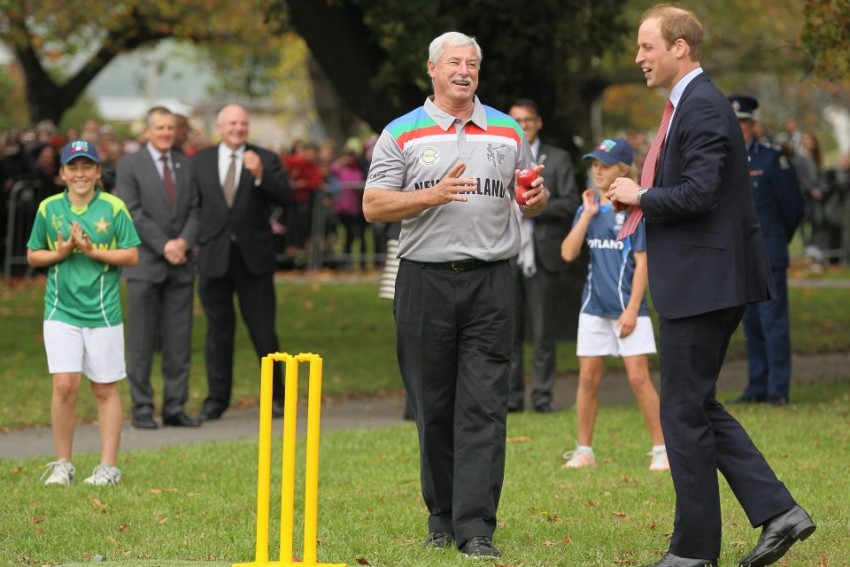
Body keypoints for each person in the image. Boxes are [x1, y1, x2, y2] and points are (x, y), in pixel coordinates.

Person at [605, 6, 815, 567]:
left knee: (682, 411)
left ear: (680, 47)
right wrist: (641, 196)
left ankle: (694, 551)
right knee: (692, 405)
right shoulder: (691, 104)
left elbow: (699, 193)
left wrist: (639, 195)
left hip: (705, 282)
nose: (638, 57)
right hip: (703, 280)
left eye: (647, 46)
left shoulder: (700, 104)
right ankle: (778, 512)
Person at [362, 31, 548, 559]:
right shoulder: (401, 132)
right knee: (433, 406)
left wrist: (534, 197)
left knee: (485, 406)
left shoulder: (508, 130)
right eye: (454, 63)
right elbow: (373, 206)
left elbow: (530, 196)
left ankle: (476, 527)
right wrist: (432, 195)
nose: (464, 71)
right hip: (424, 281)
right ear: (432, 69)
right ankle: (441, 518)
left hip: (492, 281)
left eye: (472, 64)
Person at [26, 140, 140, 486]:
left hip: (103, 311)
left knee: (104, 387)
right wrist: (61, 253)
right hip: (60, 309)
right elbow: (33, 255)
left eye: (87, 166)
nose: (80, 173)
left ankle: (108, 468)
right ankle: (63, 464)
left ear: (98, 172)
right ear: (62, 173)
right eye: (73, 167)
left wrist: (92, 251)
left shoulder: (114, 207)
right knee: (64, 385)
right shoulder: (48, 208)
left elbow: (131, 255)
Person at [559, 138, 667, 472]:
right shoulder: (588, 209)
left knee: (638, 379)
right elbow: (568, 253)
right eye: (594, 165)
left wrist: (633, 308)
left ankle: (662, 449)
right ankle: (584, 450)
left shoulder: (635, 211)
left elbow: (642, 262)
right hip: (593, 309)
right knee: (588, 379)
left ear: (622, 169)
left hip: (627, 310)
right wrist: (587, 215)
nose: (597, 171)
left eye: (604, 166)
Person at [193, 103, 292, 421]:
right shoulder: (201, 161)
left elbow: (286, 198)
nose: (238, 128)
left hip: (254, 260)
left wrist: (261, 175)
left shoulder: (265, 159)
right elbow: (194, 205)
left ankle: (278, 397)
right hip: (214, 259)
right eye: (232, 123)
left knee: (264, 334)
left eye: (243, 124)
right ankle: (216, 400)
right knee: (218, 335)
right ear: (220, 127)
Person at [116, 106, 201, 429]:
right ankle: (141, 407)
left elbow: (195, 209)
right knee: (141, 342)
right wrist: (164, 245)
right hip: (145, 265)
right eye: (160, 127)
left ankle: (175, 407)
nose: (166, 133)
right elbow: (132, 211)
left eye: (170, 128)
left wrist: (183, 242)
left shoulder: (186, 163)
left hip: (181, 265)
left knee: (179, 341)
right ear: (147, 132)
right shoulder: (129, 165)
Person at [728, 96, 804, 407]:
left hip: (769, 253)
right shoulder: (724, 160)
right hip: (740, 256)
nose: (739, 128)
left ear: (753, 125)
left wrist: (776, 239)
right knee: (751, 324)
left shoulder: (772, 159)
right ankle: (756, 386)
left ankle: (778, 389)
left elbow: (793, 207)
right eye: (733, 123)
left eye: (743, 122)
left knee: (773, 323)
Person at [507, 99, 580, 413]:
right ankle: (511, 398)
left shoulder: (558, 158)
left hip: (544, 253)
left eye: (527, 120)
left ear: (538, 122)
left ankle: (542, 397)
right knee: (508, 331)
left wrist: (533, 207)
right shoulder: (499, 155)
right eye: (516, 121)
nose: (522, 126)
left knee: (543, 331)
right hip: (508, 252)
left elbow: (570, 203)